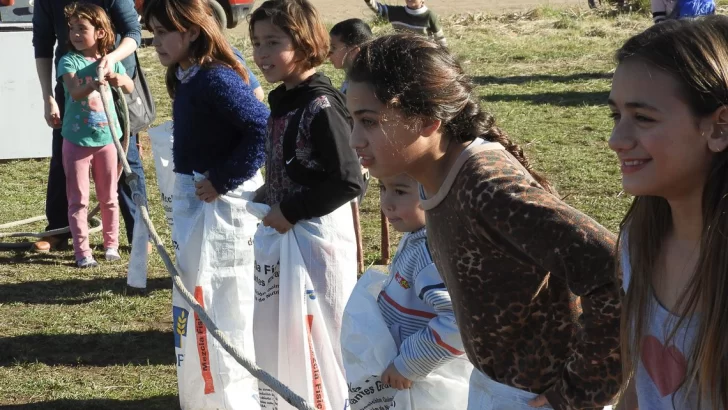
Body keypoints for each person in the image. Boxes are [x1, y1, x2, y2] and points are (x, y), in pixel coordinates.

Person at [347, 34, 621, 410]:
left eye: (369, 121)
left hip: (532, 398)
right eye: (352, 121)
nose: (354, 139)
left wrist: (581, 392)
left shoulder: (488, 187)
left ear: (427, 119)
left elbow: (614, 266)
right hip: (496, 388)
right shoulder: (438, 179)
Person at [144, 0, 268, 407]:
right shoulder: (185, 75)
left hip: (224, 207)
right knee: (199, 293)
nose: (156, 40)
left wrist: (222, 178)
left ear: (192, 31)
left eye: (164, 32)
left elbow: (261, 127)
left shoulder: (215, 78)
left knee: (224, 298)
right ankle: (206, 391)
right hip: (197, 201)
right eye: (153, 31)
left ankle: (234, 394)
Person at [608, 16, 728, 410]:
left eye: (643, 118)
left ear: (719, 128)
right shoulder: (637, 241)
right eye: (616, 115)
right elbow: (641, 390)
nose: (617, 140)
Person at [249, 0, 362, 407]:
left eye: (273, 42)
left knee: (327, 330)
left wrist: (291, 210)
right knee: (289, 329)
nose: (262, 53)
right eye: (257, 42)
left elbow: (349, 180)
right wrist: (266, 196)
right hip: (285, 234)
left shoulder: (322, 105)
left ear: (304, 42)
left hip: (318, 241)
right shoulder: (284, 99)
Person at [32, 0, 150, 253]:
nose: (74, 32)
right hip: (72, 83)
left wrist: (111, 60)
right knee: (63, 158)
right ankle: (59, 230)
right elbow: (42, 42)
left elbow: (133, 32)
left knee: (126, 160)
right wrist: (48, 97)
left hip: (114, 86)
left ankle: (139, 233)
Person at [57, 3, 133, 268]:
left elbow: (129, 85)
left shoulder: (109, 58)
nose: (75, 34)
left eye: (82, 29)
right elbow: (75, 91)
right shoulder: (68, 61)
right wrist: (92, 83)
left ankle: (111, 245)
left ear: (100, 32)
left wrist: (118, 79)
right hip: (76, 142)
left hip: (107, 140)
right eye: (72, 29)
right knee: (78, 199)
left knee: (109, 196)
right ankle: (83, 253)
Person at [375, 173, 465, 390]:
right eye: (382, 188)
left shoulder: (430, 254)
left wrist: (409, 364)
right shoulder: (416, 236)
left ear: (436, 193)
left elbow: (459, 322)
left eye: (399, 191)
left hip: (424, 381)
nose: (386, 203)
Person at [362, 0, 446, 47]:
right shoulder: (397, 12)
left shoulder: (430, 16)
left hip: (424, 55)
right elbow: (377, 8)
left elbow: (441, 40)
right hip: (401, 52)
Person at [329, 18, 373, 95]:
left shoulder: (362, 88)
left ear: (354, 51)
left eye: (333, 47)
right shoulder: (353, 78)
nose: (328, 53)